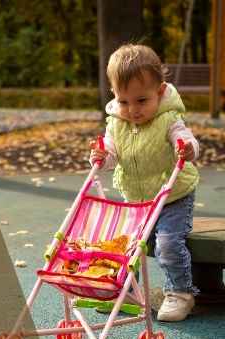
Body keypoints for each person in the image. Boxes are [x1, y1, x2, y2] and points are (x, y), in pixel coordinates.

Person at [89, 44, 201, 322]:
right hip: (137, 200)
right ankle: (128, 289)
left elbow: (187, 139)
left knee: (167, 243)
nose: (133, 110)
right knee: (128, 245)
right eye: (124, 102)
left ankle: (180, 292)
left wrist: (187, 148)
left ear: (160, 92)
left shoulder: (168, 118)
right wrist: (103, 156)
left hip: (172, 196)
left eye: (141, 101)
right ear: (115, 95)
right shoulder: (116, 122)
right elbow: (113, 152)